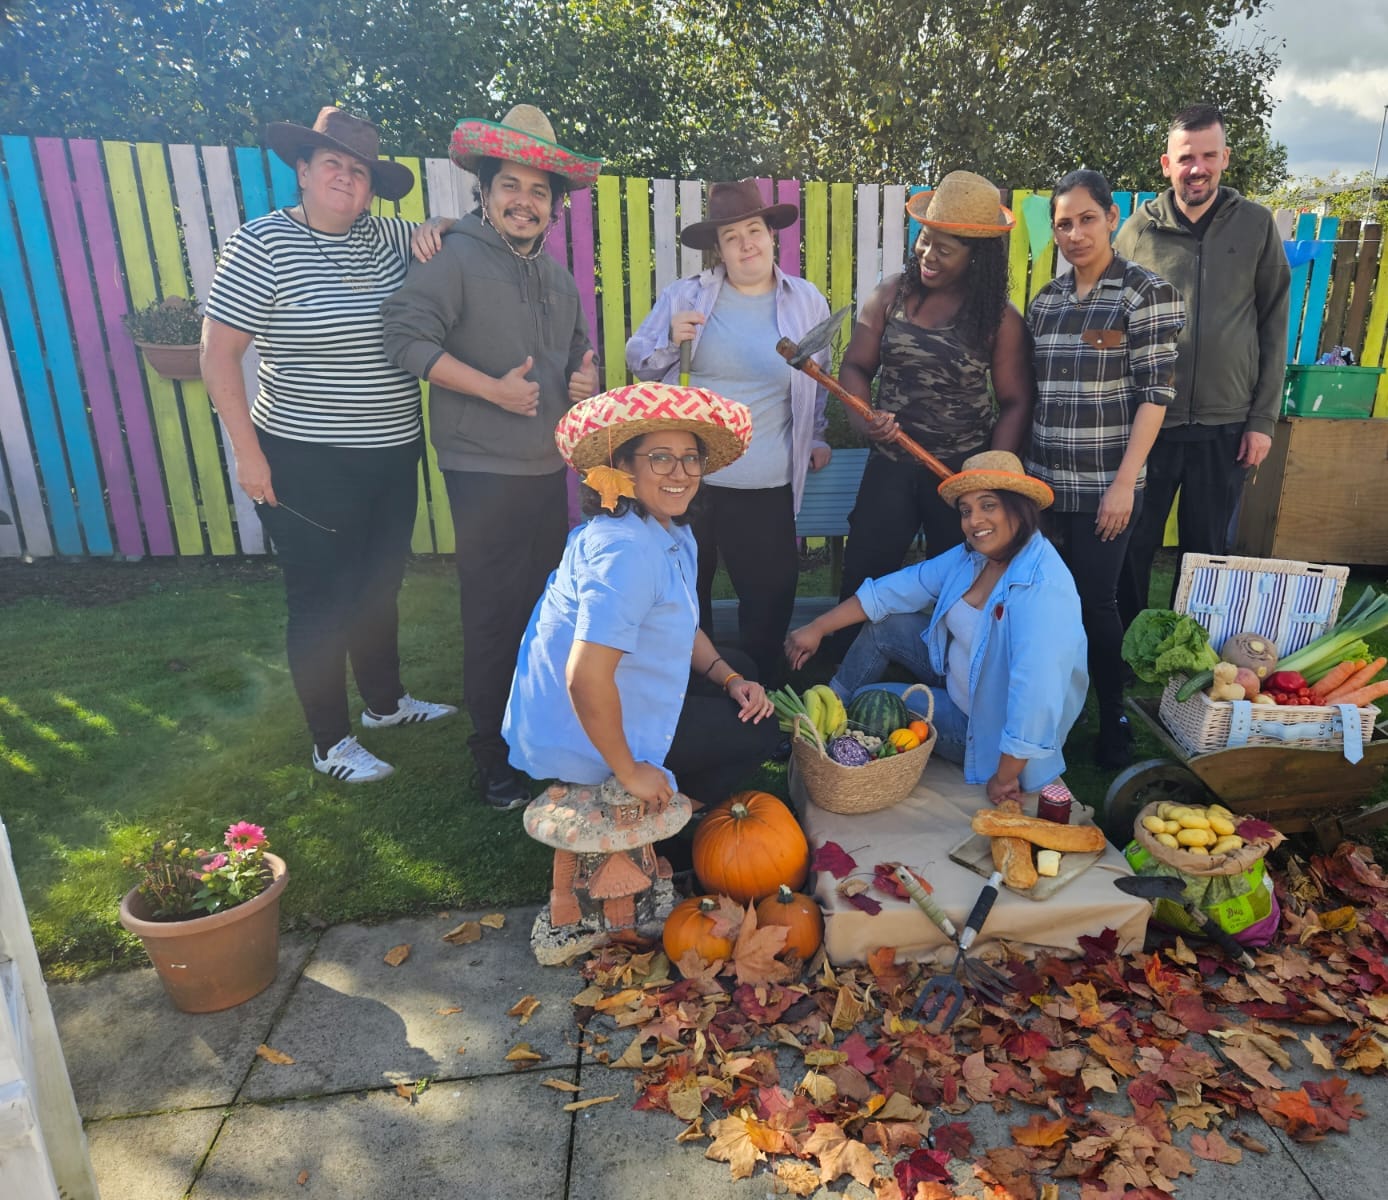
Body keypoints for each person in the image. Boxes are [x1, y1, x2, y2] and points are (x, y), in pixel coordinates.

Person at [201, 106, 456, 785]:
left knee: (380, 585)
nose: (348, 179)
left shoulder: (392, 237)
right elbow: (218, 354)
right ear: (305, 171)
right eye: (334, 165)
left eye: (360, 171)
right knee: (321, 597)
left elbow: (466, 236)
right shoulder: (262, 244)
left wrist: (440, 227)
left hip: (393, 451)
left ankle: (385, 705)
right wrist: (247, 452)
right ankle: (330, 742)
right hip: (304, 457)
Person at [382, 105, 603, 810]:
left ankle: (534, 737)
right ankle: (492, 759)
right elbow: (403, 338)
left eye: (539, 191)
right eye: (510, 184)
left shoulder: (561, 280)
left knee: (544, 612)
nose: (524, 201)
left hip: (547, 472)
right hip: (480, 471)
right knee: (491, 615)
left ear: (554, 205)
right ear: (484, 191)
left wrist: (583, 379)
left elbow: (575, 359)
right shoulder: (453, 256)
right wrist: (490, 390)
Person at [503, 382, 779, 814]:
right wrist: (630, 771)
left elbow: (682, 626)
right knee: (763, 731)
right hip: (577, 723)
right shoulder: (624, 552)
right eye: (661, 458)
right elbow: (585, 677)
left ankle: (670, 790)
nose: (680, 472)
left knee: (743, 670)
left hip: (610, 688)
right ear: (622, 466)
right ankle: (656, 816)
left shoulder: (668, 529)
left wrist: (730, 679)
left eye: (691, 458)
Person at [785, 451, 1087, 804]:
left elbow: (1036, 698)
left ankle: (834, 719)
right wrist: (819, 627)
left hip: (981, 729)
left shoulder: (1043, 588)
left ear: (1019, 507)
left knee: (869, 702)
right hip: (955, 676)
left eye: (988, 505)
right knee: (887, 627)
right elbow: (897, 588)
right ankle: (822, 713)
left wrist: (1005, 777)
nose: (975, 521)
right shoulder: (972, 556)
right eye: (966, 510)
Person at [625, 179, 832, 687]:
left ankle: (761, 698)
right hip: (688, 480)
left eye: (754, 230)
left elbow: (817, 381)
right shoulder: (687, 296)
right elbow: (641, 364)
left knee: (771, 594)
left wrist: (820, 434)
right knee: (683, 592)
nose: (746, 244)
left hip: (766, 483)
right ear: (718, 248)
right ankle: (691, 696)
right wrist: (671, 341)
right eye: (732, 235)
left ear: (772, 235)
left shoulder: (806, 301)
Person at [1026, 170, 1185, 769]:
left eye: (1086, 218)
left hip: (1104, 487)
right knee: (1047, 601)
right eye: (1063, 223)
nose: (1074, 233)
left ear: (1112, 217)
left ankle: (1112, 712)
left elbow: (1155, 396)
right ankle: (1050, 712)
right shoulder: (1046, 303)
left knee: (1096, 601)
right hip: (1046, 485)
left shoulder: (1145, 294)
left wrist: (1124, 483)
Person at [1114, 104, 1291, 626]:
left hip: (1226, 423)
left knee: (1208, 551)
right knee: (1134, 541)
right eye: (1187, 157)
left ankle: (1192, 652)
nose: (1198, 168)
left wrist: (1261, 421)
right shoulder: (1137, 231)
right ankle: (1127, 646)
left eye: (1209, 156)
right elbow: (1116, 319)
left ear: (1225, 159)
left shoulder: (1256, 226)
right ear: (1167, 164)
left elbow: (1275, 324)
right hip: (1151, 421)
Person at [833, 171, 1033, 627]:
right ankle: (844, 663)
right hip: (891, 463)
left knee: (959, 580)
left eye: (945, 249)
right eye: (925, 240)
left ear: (977, 256)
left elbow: (1016, 401)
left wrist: (987, 474)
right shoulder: (890, 296)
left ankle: (948, 671)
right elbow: (855, 368)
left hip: (958, 477)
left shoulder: (999, 320)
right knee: (866, 567)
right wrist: (866, 419)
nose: (927, 255)